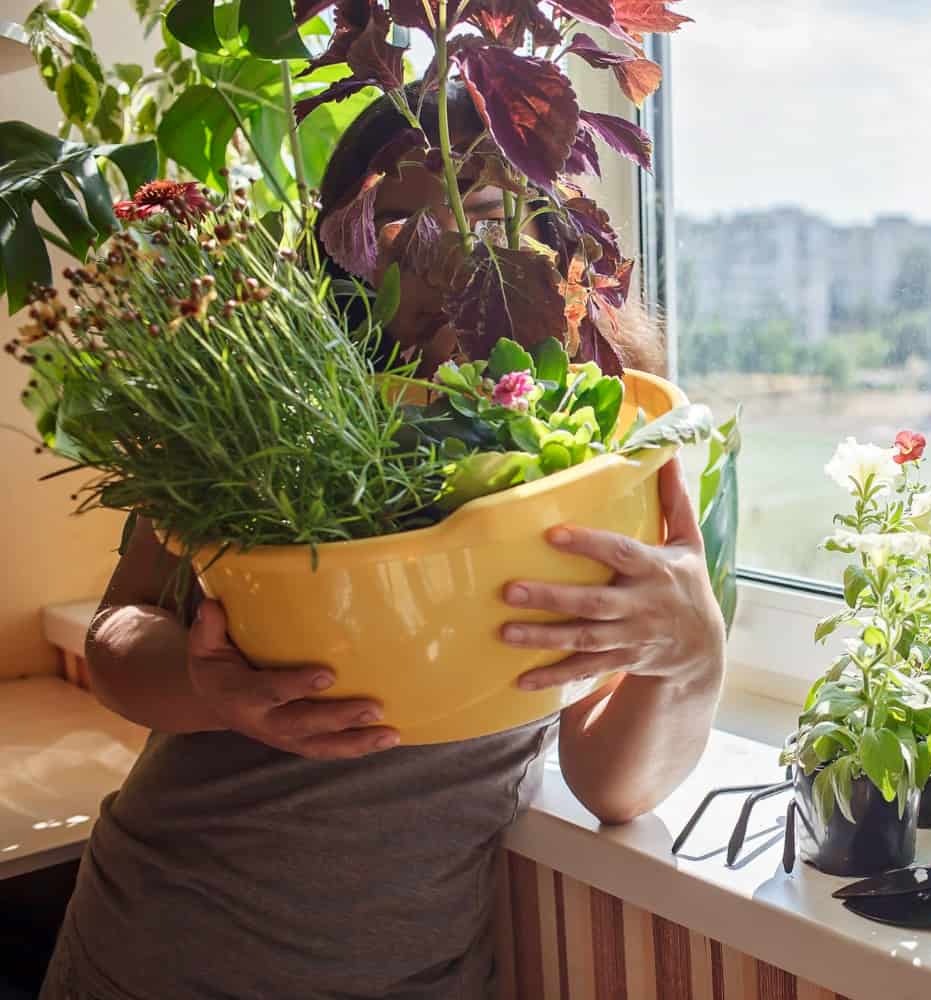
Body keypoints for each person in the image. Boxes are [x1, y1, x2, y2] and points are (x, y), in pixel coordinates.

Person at [40, 86, 726, 1000]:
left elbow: (611, 785)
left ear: (547, 228)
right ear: (349, 241)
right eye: (400, 223)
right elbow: (118, 638)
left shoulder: (599, 425)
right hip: (154, 944)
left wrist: (693, 656)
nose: (445, 258)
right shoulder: (269, 401)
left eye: (484, 211)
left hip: (406, 974)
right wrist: (213, 689)